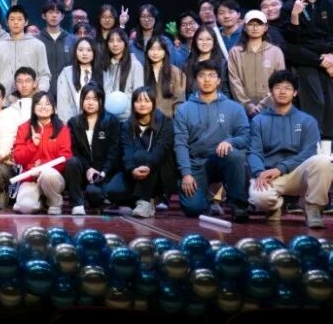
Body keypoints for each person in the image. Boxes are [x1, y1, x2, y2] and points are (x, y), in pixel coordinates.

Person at [247, 70, 333, 228]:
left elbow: (310, 152)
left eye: (287, 88)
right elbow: (254, 152)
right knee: (258, 197)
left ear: (295, 93)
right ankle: (274, 207)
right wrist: (259, 173)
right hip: (271, 175)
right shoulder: (259, 120)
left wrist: (281, 168)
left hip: (299, 174)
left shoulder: (308, 121)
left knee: (324, 161)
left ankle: (313, 208)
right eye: (278, 87)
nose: (282, 91)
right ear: (271, 92)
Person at [173, 60, 251, 221]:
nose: (207, 80)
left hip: (222, 159)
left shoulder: (234, 108)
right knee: (193, 208)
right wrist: (186, 173)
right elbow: (180, 144)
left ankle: (238, 205)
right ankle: (207, 199)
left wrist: (230, 142)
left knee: (234, 155)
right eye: (202, 75)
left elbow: (246, 137)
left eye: (211, 75)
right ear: (195, 80)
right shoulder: (184, 109)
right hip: (196, 164)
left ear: (218, 80)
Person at [284, 0, 333, 137]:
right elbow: (293, 41)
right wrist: (295, 15)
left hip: (329, 58)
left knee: (330, 103)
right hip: (306, 60)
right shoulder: (289, 5)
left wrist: (331, 55)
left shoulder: (329, 4)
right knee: (316, 101)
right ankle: (312, 141)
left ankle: (327, 145)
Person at [114, 87, 176, 219]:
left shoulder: (165, 122)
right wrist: (132, 170)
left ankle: (145, 201)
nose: (142, 104)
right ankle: (143, 201)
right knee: (112, 190)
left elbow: (160, 151)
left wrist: (149, 166)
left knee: (141, 156)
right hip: (135, 172)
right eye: (138, 101)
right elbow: (127, 150)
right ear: (133, 104)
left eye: (147, 101)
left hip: (159, 172)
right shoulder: (127, 125)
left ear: (153, 103)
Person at [63, 84, 122, 215]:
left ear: (101, 100)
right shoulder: (74, 122)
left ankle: (96, 198)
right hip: (83, 170)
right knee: (72, 161)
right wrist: (88, 168)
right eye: (87, 99)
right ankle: (77, 204)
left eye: (95, 99)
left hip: (103, 172)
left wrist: (103, 172)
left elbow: (114, 152)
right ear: (82, 100)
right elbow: (74, 151)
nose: (90, 103)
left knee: (94, 194)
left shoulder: (111, 121)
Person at [11, 91, 72, 214]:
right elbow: (17, 157)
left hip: (53, 178)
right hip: (30, 178)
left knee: (47, 174)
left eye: (47, 104)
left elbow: (66, 157)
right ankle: (38, 202)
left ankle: (54, 202)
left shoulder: (62, 129)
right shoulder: (24, 128)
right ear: (33, 108)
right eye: (39, 104)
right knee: (26, 207)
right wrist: (33, 145)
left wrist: (43, 166)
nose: (43, 107)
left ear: (54, 109)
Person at [228, 10, 286, 116]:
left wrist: (264, 105)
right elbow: (234, 81)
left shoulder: (275, 51)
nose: (255, 28)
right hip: (242, 110)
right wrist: (247, 105)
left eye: (259, 24)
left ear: (266, 27)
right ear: (244, 27)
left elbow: (280, 81)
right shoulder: (235, 52)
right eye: (251, 24)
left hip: (271, 108)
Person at [55, 37, 100, 122]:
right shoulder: (66, 73)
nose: (84, 53)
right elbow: (63, 104)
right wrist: (70, 125)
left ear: (94, 52)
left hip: (98, 123)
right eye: (80, 50)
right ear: (75, 52)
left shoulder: (103, 74)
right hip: (73, 123)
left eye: (89, 50)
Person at [102, 29, 144, 117]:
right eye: (111, 41)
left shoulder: (135, 65)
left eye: (119, 40)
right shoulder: (105, 65)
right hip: (107, 117)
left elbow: (139, 95)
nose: (115, 44)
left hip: (127, 117)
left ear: (125, 43)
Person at [142, 36, 186, 120]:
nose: (155, 53)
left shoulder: (176, 72)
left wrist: (177, 121)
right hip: (146, 120)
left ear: (165, 51)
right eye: (151, 49)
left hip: (169, 121)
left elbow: (179, 101)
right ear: (147, 51)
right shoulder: (141, 71)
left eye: (159, 49)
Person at [181, 25, 228, 90]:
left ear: (214, 41)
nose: (204, 42)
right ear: (195, 42)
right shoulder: (187, 65)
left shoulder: (223, 64)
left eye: (208, 39)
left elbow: (226, 90)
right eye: (200, 39)